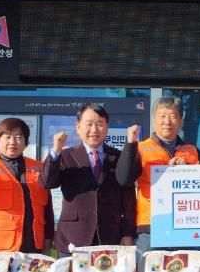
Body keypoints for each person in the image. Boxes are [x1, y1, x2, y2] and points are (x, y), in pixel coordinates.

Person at [40, 103, 136, 255]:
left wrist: (128, 233)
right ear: (78, 127)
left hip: (110, 236)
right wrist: (56, 150)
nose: (94, 130)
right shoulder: (65, 156)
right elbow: (47, 182)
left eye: (99, 124)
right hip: (73, 237)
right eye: (89, 124)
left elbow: (129, 199)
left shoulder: (118, 157)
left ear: (107, 127)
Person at [117, 96, 200, 256]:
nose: (167, 121)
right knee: (149, 271)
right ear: (154, 119)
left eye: (173, 116)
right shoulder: (140, 148)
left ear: (181, 121)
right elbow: (124, 179)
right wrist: (130, 144)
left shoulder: (193, 151)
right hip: (151, 228)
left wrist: (187, 171)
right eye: (162, 116)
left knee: (187, 271)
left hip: (186, 227)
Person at [0, 118, 54, 253]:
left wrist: (49, 236)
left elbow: (47, 206)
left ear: (26, 142)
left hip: (31, 244)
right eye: (7, 137)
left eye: (18, 137)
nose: (12, 142)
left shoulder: (38, 167)